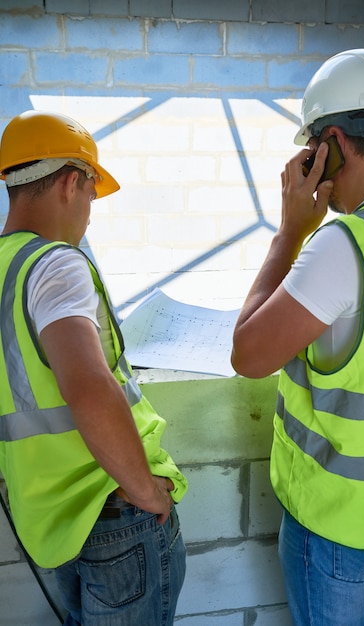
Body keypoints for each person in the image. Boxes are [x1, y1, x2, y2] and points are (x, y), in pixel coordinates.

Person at [231, 48, 364, 625]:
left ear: (331, 143)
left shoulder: (344, 245)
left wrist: (290, 231)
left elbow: (249, 354)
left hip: (334, 520)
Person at [0, 109, 188, 625]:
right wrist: (147, 490)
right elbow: (87, 387)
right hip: (114, 509)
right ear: (69, 182)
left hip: (50, 520)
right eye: (91, 194)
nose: (90, 211)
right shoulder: (55, 264)